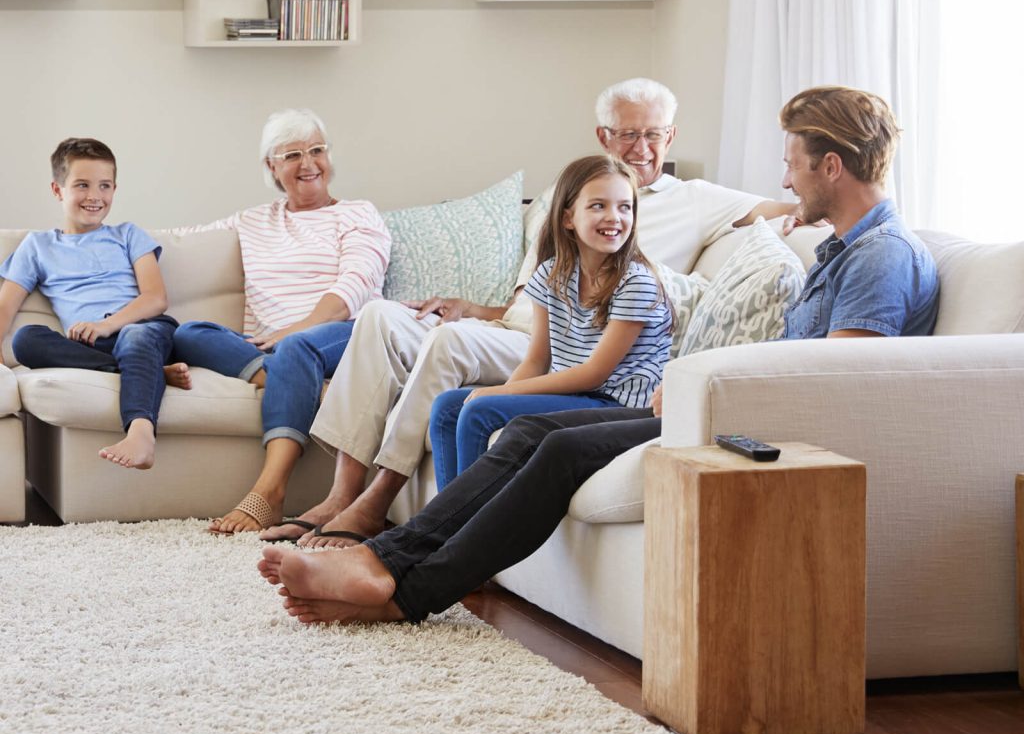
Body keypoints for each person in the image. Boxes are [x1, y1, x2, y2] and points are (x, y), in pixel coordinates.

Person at [258, 84, 940, 625]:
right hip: (725, 408)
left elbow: (837, 382)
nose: (786, 181)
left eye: (793, 164)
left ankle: (400, 587)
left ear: (831, 165)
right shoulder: (842, 248)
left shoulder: (882, 256)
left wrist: (705, 379)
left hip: (761, 432)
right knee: (527, 429)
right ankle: (384, 559)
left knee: (553, 448)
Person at [263, 77, 795, 548]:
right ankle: (350, 497)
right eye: (629, 134)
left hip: (595, 369)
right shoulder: (560, 212)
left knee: (453, 357)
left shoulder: (694, 204)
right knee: (380, 317)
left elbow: (791, 205)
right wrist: (474, 310)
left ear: (671, 137)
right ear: (603, 137)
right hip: (517, 330)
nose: (642, 147)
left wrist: (793, 223)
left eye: (654, 134)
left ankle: (389, 506)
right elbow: (532, 312)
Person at [172, 108, 391, 534]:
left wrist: (294, 330)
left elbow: (354, 288)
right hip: (277, 347)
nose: (308, 164)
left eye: (316, 150)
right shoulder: (253, 220)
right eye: (292, 155)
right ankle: (300, 382)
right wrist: (104, 238)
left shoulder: (358, 214)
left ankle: (269, 493)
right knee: (188, 333)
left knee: (296, 348)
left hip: (346, 336)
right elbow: (180, 241)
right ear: (271, 167)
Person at [428, 153, 672, 489]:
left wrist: (502, 392)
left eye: (625, 207)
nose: (614, 217)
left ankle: (457, 529)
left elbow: (593, 374)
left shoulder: (636, 282)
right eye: (598, 206)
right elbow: (537, 359)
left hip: (622, 406)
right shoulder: (550, 275)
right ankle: (444, 525)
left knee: (479, 411)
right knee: (446, 407)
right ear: (568, 217)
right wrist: (502, 394)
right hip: (581, 396)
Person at [0, 137, 190, 471]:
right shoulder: (37, 245)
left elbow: (155, 298)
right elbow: (5, 306)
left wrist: (107, 323)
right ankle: (146, 373)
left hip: (143, 331)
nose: (94, 196)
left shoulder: (128, 235)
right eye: (82, 185)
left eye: (104, 186)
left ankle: (140, 431)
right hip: (91, 345)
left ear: (115, 189)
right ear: (58, 190)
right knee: (26, 339)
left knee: (134, 338)